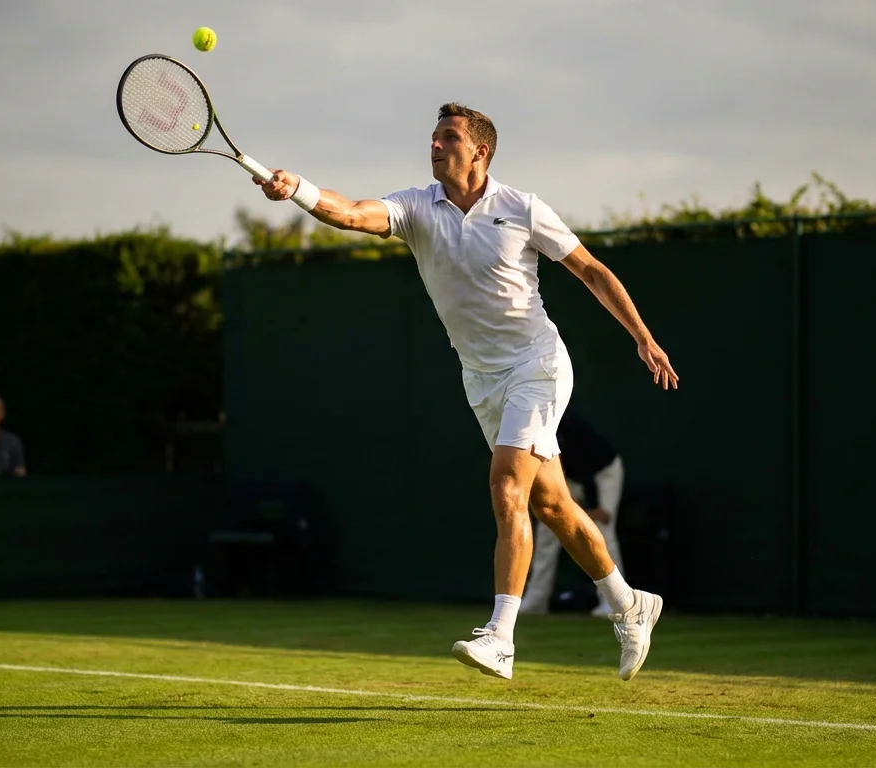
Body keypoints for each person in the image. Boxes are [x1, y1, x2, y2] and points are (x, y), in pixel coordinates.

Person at [254, 102, 679, 682]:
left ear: (480, 151)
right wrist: (298, 188)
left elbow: (593, 271)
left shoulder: (523, 208)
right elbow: (350, 212)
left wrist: (643, 337)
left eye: (448, 137)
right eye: (432, 137)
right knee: (550, 504)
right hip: (480, 377)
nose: (434, 146)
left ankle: (500, 637)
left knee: (507, 486)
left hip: (538, 363)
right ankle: (631, 605)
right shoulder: (413, 207)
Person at [519, 406, 628, 617]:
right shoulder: (530, 421)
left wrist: (595, 507)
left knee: (602, 531)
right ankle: (536, 600)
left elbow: (583, 463)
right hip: (569, 478)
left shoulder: (567, 422)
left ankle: (615, 602)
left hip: (603, 475)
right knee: (547, 532)